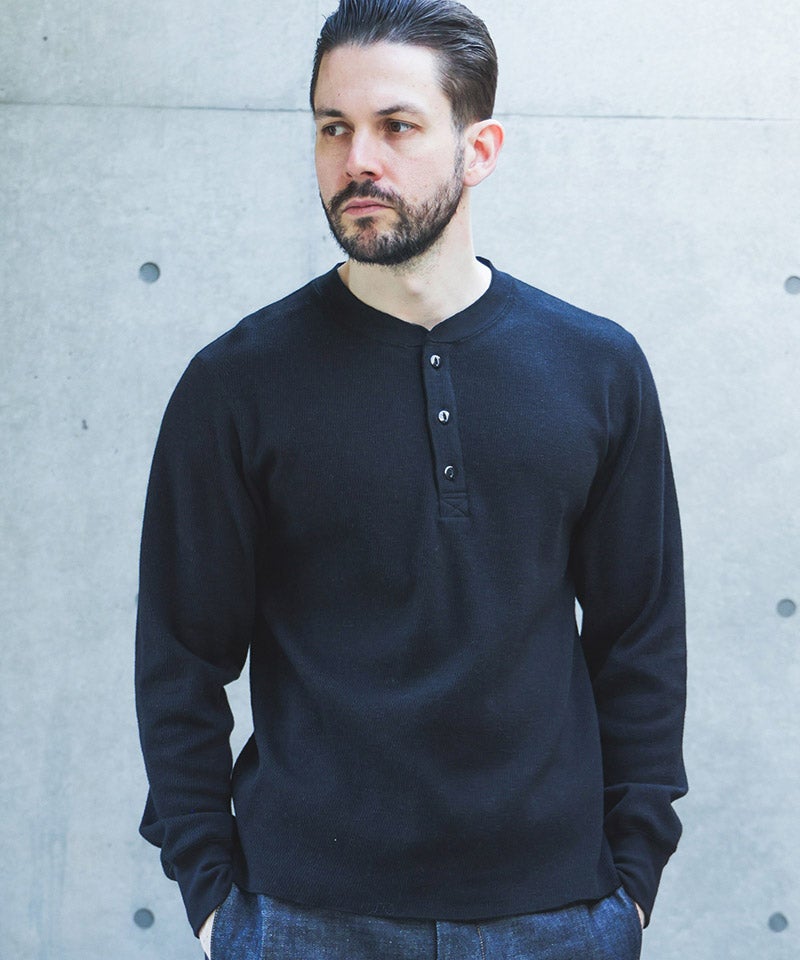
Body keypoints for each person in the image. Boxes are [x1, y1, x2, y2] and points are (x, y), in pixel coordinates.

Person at [135, 1, 688, 957]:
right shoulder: (235, 385)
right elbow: (179, 657)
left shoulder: (598, 369)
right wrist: (215, 901)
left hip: (558, 914)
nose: (358, 160)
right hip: (300, 915)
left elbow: (641, 638)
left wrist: (631, 881)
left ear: (480, 149)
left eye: (396, 126)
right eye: (332, 128)